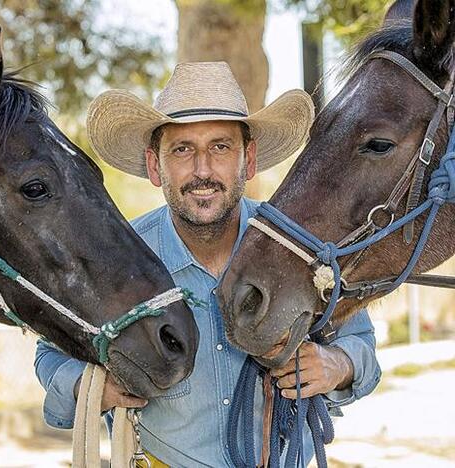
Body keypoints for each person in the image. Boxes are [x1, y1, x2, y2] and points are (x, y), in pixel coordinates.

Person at [35, 61, 381, 467]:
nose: (202, 170)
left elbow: (362, 348)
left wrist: (334, 365)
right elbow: (50, 353)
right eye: (182, 149)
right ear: (154, 165)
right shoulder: (116, 257)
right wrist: (94, 387)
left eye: (220, 147)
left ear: (247, 161)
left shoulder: (298, 248)